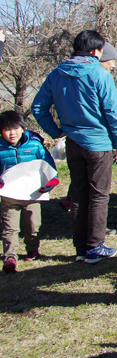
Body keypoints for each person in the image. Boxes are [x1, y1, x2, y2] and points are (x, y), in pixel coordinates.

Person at [31, 29, 117, 263]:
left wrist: (57, 131)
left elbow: (38, 107)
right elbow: (112, 113)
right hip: (98, 144)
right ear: (96, 51)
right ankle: (95, 246)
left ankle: (81, 248)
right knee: (98, 196)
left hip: (73, 142)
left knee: (79, 195)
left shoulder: (57, 73)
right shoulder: (99, 74)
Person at [0, 111, 58, 273]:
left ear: (23, 128)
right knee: (9, 227)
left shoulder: (35, 145)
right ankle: (10, 256)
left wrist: (52, 180)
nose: (12, 133)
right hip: (9, 195)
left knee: (34, 225)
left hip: (32, 194)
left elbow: (48, 165)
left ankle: (32, 249)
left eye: (16, 128)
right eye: (7, 129)